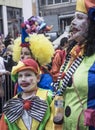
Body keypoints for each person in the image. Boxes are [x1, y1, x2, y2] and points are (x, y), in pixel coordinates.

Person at [53, 0, 95, 130]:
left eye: (80, 17)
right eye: (74, 17)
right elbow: (61, 91)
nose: (73, 22)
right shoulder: (72, 54)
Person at [0, 58, 54, 130]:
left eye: (28, 75)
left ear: (37, 78)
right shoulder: (10, 105)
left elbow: (55, 124)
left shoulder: (49, 97)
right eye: (20, 76)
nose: (23, 79)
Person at [12, 23, 54, 94]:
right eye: (21, 53)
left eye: (26, 54)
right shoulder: (20, 75)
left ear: (36, 56)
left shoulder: (45, 78)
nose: (22, 56)